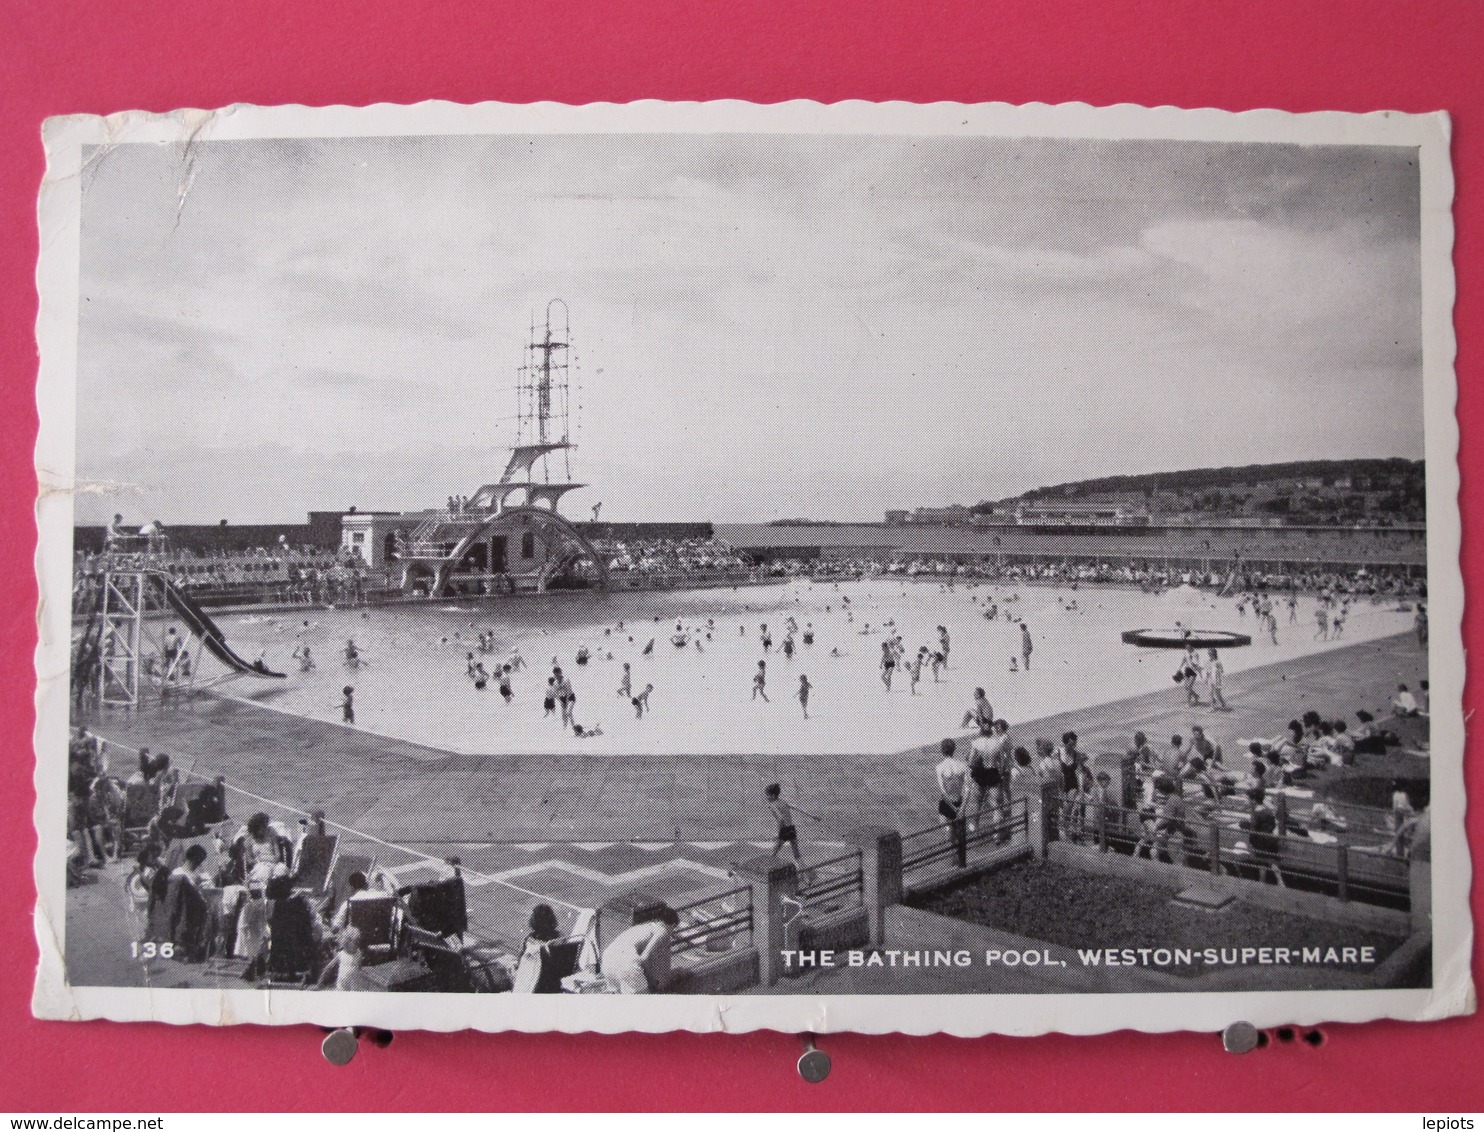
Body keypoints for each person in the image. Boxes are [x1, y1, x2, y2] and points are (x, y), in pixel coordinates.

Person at [600, 906, 680, 994]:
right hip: (626, 961)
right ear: (672, 925)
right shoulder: (663, 930)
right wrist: (650, 980)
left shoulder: (644, 927)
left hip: (608, 959)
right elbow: (644, 958)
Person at [513, 904, 565, 993]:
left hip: (536, 985)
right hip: (554, 983)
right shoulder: (560, 939)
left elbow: (521, 964)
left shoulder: (529, 942)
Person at [765, 783, 819, 863]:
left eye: (767, 795)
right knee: (796, 853)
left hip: (784, 830)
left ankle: (768, 869)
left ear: (772, 796)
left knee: (774, 852)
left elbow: (780, 819)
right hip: (791, 829)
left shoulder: (773, 805)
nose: (766, 797)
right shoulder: (783, 802)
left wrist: (779, 834)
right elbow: (797, 808)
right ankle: (802, 869)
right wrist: (812, 816)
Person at [934, 738, 970, 858]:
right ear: (954, 750)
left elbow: (943, 792)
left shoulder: (940, 768)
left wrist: (954, 809)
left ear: (942, 751)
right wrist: (962, 808)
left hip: (947, 803)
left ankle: (954, 848)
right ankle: (959, 855)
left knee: (947, 827)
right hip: (959, 801)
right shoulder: (963, 766)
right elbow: (967, 789)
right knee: (959, 830)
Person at [316, 926, 371, 991]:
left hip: (353, 986)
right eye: (355, 942)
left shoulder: (358, 954)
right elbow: (328, 968)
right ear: (346, 943)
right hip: (341, 987)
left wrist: (363, 976)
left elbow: (358, 968)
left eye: (357, 942)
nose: (357, 944)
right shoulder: (341, 954)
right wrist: (321, 980)